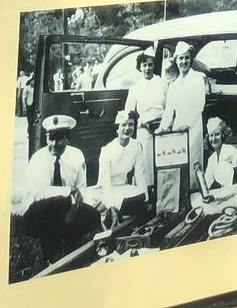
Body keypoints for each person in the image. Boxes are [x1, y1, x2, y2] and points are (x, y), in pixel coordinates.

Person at [17, 112, 100, 259]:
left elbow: (82, 187)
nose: (54, 144)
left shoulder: (76, 155)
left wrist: (77, 208)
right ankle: (51, 256)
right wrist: (69, 191)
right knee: (51, 213)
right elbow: (39, 192)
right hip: (40, 210)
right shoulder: (39, 158)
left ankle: (69, 243)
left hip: (67, 206)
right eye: (50, 139)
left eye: (59, 139)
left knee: (93, 216)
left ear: (67, 139)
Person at [161, 41, 214, 183]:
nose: (184, 61)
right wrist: (162, 127)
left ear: (190, 59)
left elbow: (200, 105)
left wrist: (188, 124)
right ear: (176, 60)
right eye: (181, 58)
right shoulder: (174, 84)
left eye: (187, 58)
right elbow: (169, 110)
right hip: (178, 129)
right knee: (179, 161)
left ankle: (196, 192)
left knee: (193, 162)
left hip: (193, 127)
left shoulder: (197, 78)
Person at [96, 108, 152, 224]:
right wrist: (110, 205)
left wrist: (146, 198)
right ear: (117, 129)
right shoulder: (107, 150)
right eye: (123, 125)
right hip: (108, 190)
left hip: (125, 187)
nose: (127, 129)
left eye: (131, 125)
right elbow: (104, 182)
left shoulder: (136, 146)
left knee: (140, 199)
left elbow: (140, 174)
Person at [121, 47, 167, 178]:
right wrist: (142, 123)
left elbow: (169, 107)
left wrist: (164, 124)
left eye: (150, 65)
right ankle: (147, 194)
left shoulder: (163, 83)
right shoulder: (135, 88)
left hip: (162, 128)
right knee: (146, 165)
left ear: (154, 65)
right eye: (144, 65)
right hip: (144, 130)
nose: (147, 68)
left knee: (163, 161)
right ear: (140, 67)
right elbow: (129, 114)